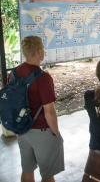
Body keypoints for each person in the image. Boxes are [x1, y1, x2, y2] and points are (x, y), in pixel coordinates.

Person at [16, 36, 64, 182]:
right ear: (38, 51)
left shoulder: (14, 73)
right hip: (41, 131)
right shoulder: (43, 77)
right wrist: (56, 133)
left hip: (22, 129)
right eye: (42, 48)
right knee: (48, 175)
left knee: (27, 170)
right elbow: (49, 111)